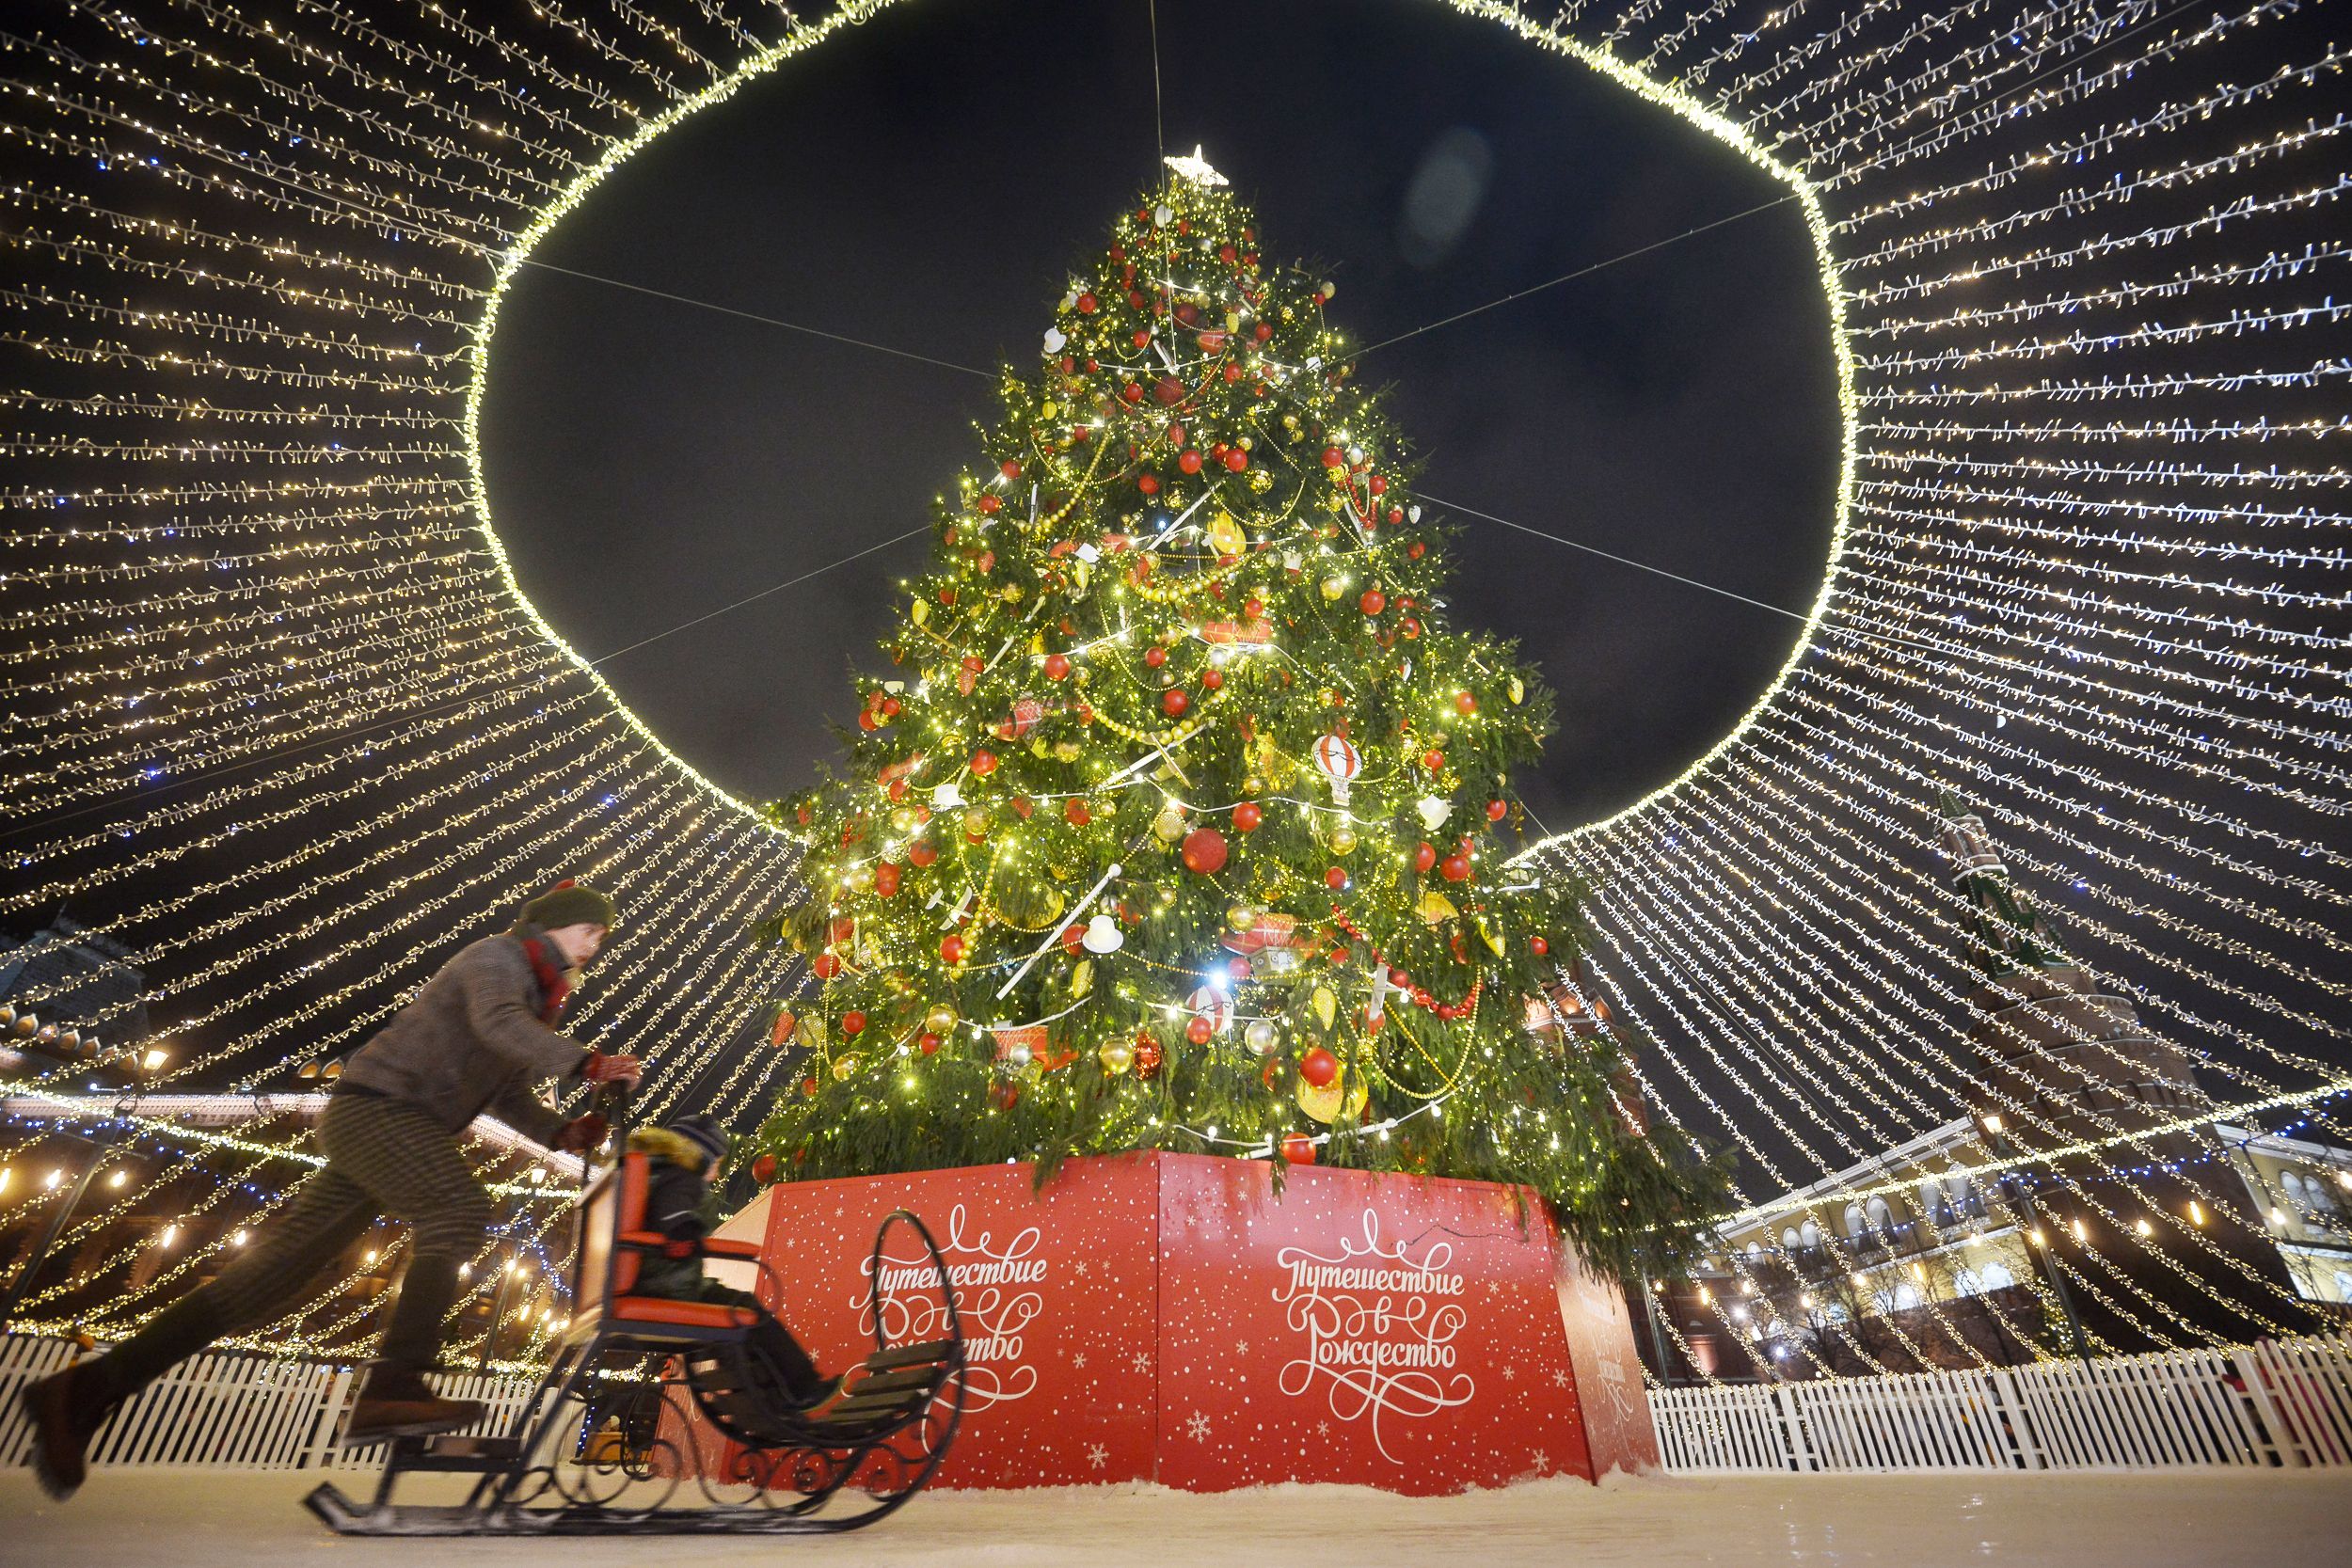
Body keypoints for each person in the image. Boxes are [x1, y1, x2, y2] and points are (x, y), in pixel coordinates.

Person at [21, 879, 644, 1500]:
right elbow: (497, 1021)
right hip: (380, 1110)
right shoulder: (498, 958)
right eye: (590, 928)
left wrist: (561, 1130)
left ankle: (87, 1389)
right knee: (458, 1209)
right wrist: (588, 1062)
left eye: (602, 935)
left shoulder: (536, 998)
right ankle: (394, 1385)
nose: (597, 942)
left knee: (267, 1278)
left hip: (392, 1121)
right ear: (556, 922)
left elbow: (503, 1090)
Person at [627, 1116, 827, 1405]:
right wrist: (684, 1231)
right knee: (749, 1311)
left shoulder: (650, 1171)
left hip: (649, 1282)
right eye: (717, 1162)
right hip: (670, 1288)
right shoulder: (682, 1176)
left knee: (734, 1316)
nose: (717, 1172)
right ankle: (803, 1387)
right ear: (699, 1153)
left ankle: (764, 1401)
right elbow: (672, 1211)